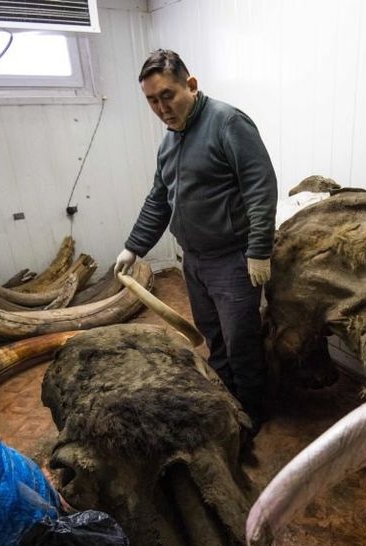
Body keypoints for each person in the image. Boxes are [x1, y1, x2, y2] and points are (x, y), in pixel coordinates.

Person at [114, 49, 277, 431]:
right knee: (214, 340)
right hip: (196, 261)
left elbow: (260, 187)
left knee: (241, 345)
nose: (161, 107)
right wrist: (134, 246)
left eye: (167, 95)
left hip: (233, 260)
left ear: (191, 84)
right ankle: (226, 408)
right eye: (152, 100)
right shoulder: (170, 142)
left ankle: (251, 417)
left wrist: (259, 251)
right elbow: (159, 199)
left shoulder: (227, 123)